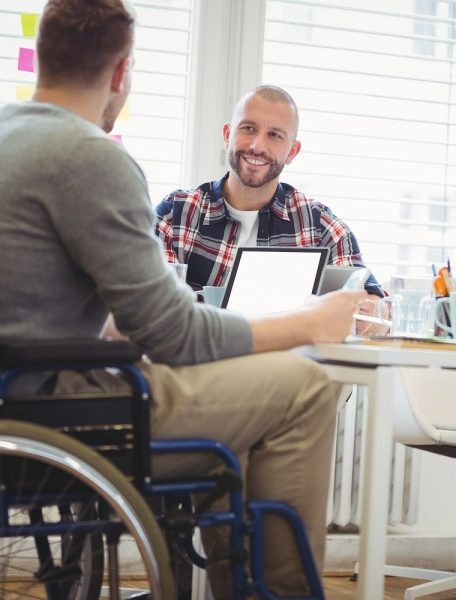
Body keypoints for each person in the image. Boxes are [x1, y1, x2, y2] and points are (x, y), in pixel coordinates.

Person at [0, 1, 366, 598]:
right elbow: (177, 335)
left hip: (19, 394)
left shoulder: (9, 134)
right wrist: (310, 323)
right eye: (249, 128)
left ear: (43, 56)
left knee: (252, 398)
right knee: (301, 387)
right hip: (65, 409)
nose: (258, 143)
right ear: (121, 74)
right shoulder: (93, 158)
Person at [155, 85, 387, 332]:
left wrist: (369, 314)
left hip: (287, 364)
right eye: (248, 128)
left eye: (275, 135)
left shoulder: (320, 226)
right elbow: (150, 309)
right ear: (227, 135)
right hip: (197, 362)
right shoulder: (175, 215)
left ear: (292, 152)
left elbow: (377, 309)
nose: (257, 146)